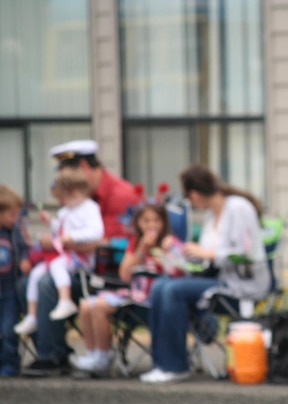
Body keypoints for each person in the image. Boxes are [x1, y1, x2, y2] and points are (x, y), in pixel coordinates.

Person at [139, 164, 271, 384]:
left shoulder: (238, 208)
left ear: (194, 194)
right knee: (160, 285)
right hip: (216, 280)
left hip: (242, 285)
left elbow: (246, 253)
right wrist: (179, 251)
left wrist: (206, 253)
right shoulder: (212, 215)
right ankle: (160, 364)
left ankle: (175, 366)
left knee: (173, 290)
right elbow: (203, 259)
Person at [20, 139, 140, 377]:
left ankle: (50, 356)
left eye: (68, 175)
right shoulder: (76, 198)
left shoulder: (120, 194)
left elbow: (111, 243)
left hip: (105, 273)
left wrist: (65, 241)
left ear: (83, 167)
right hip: (76, 264)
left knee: (47, 284)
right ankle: (56, 349)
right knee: (24, 283)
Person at [71, 202, 184, 374]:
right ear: (138, 223)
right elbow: (124, 274)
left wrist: (159, 253)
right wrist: (141, 250)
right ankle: (93, 354)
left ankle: (103, 358)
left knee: (99, 307)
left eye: (156, 220)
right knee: (86, 305)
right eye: (146, 221)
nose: (151, 225)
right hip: (134, 294)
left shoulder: (170, 243)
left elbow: (176, 270)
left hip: (154, 299)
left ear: (164, 223)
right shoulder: (135, 243)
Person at [14, 170, 104, 335]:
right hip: (65, 255)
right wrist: (51, 222)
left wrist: (68, 238)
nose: (61, 203)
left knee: (49, 277)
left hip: (79, 261)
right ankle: (32, 316)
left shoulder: (90, 209)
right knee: (35, 275)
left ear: (75, 194)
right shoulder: (66, 211)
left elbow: (95, 233)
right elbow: (61, 230)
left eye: (62, 199)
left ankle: (65, 300)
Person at [0, 185, 33, 376]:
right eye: (11, 215)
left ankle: (11, 362)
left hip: (10, 289)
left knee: (9, 328)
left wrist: (25, 260)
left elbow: (23, 250)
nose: (16, 219)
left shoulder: (15, 233)